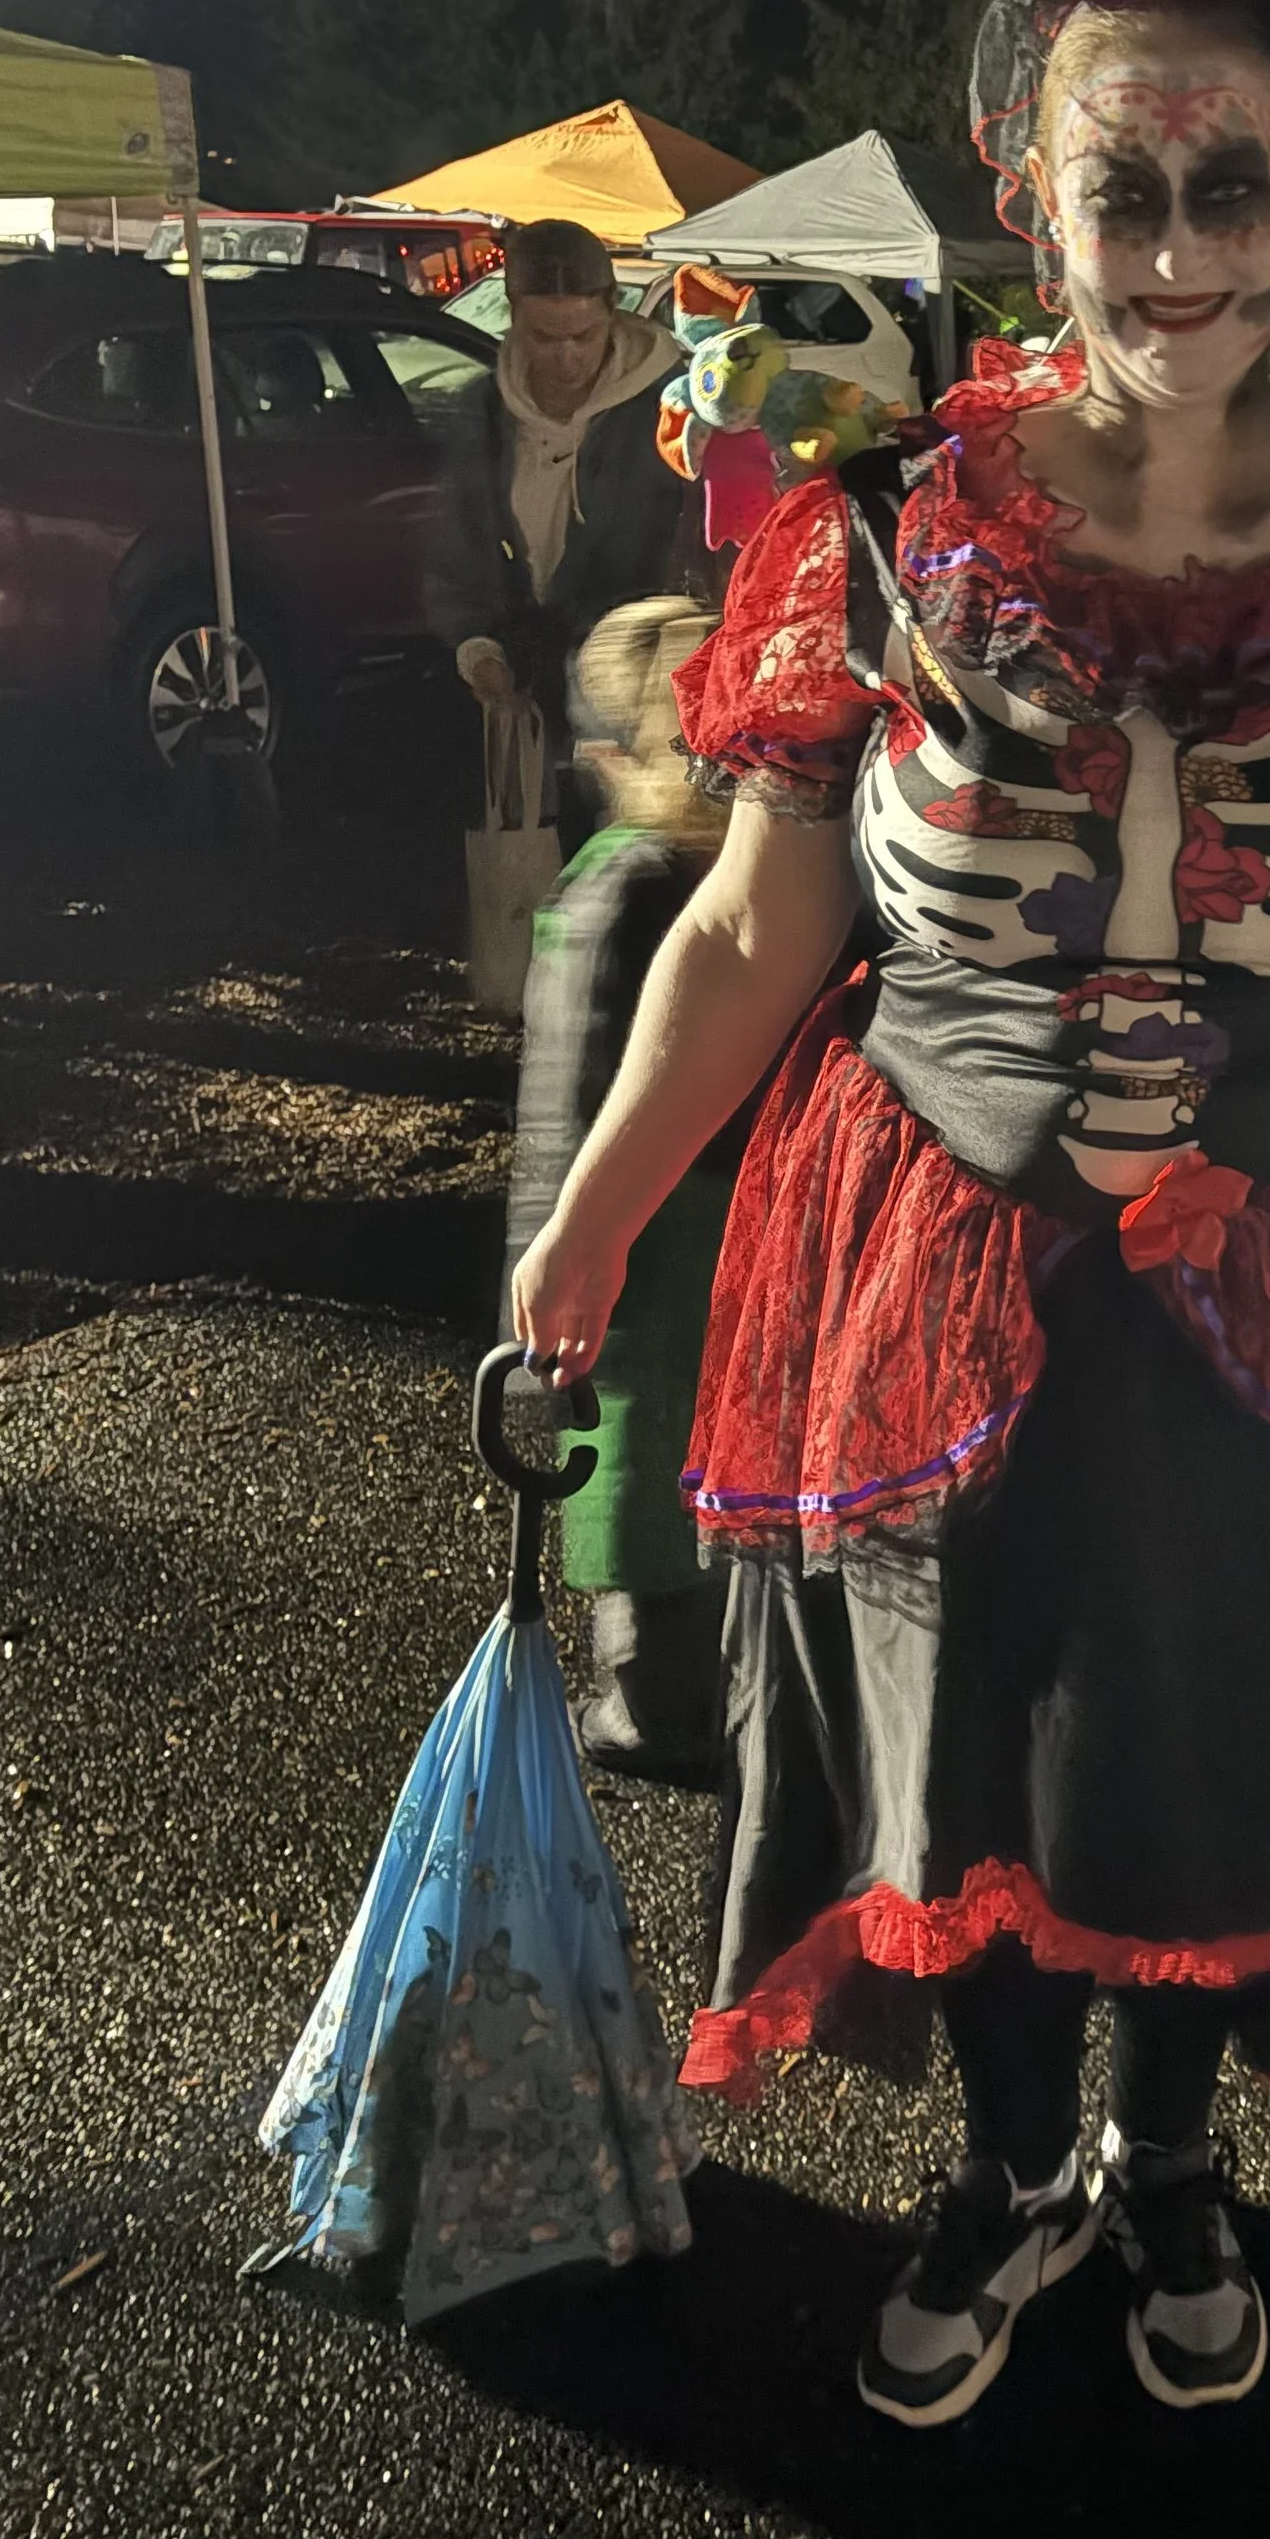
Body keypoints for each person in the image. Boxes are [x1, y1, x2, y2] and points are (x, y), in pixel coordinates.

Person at [511, 0, 1270, 2429]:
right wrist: (594, 1220)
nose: (1173, 253)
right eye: (1119, 188)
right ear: (1022, 189)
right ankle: (1018, 2161)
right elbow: (750, 924)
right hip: (938, 1261)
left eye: (1231, 189)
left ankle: (1177, 2166)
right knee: (978, 1746)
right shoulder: (870, 526)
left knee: (1236, 1736)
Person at [504, 596, 745, 1788]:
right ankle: (690, 1691)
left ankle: (658, 1696)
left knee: (642, 1455)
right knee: (690, 1455)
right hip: (720, 1219)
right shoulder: (755, 877)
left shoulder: (623, 881)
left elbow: (564, 1106)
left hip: (655, 1221)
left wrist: (552, 1235)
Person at [427, 218, 692, 794]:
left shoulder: (671, 407)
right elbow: (458, 551)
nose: (567, 358)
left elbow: (702, 543)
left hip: (642, 689)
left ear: (613, 313)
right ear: (513, 314)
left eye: (583, 336)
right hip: (531, 686)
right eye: (545, 338)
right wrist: (480, 651)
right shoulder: (487, 413)